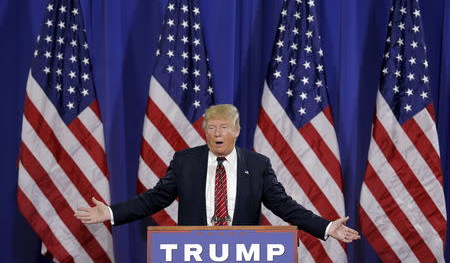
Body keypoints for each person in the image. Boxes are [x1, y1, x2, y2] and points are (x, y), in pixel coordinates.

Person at [75, 104, 360, 242]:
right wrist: (111, 213)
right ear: (205, 132)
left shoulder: (258, 164)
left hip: (243, 252)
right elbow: (155, 198)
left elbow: (284, 206)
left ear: (236, 131)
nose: (217, 133)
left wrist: (326, 227)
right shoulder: (185, 161)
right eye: (211, 128)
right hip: (192, 251)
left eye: (224, 127)